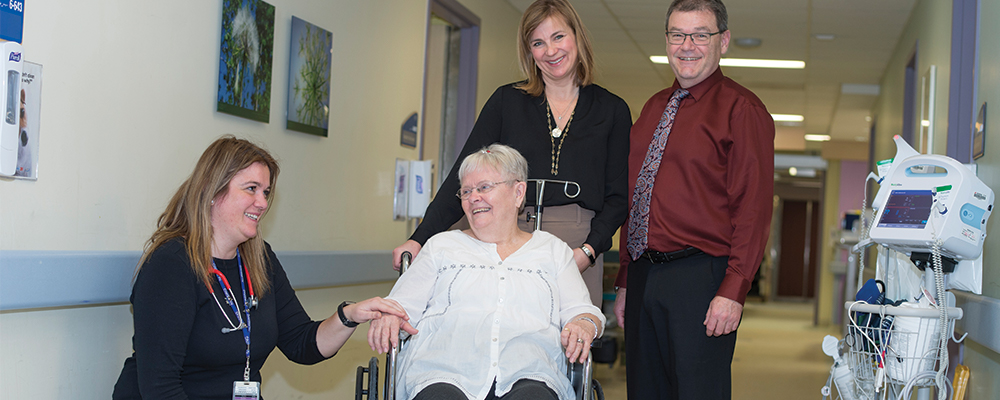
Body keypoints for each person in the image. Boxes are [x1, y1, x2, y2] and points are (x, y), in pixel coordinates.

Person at [112, 136, 415, 399]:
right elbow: (160, 387)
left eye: (266, 192)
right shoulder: (172, 264)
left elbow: (302, 343)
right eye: (251, 189)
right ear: (213, 192)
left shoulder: (259, 260)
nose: (262, 202)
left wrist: (350, 315)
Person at [393, 0, 630, 307]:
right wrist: (420, 237)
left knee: (569, 343)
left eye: (559, 37)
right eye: (538, 43)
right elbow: (461, 180)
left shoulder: (611, 110)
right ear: (529, 51)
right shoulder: (507, 102)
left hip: (577, 247)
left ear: (577, 37)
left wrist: (588, 251)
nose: (551, 50)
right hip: (507, 238)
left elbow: (618, 198)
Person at [612, 0, 775, 398]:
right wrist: (625, 279)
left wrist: (734, 290)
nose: (688, 45)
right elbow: (637, 198)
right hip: (644, 275)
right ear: (667, 40)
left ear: (723, 41)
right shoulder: (652, 109)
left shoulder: (743, 109)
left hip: (701, 279)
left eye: (701, 35)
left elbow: (752, 208)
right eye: (677, 35)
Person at [370, 144, 605, 400]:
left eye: (484, 187)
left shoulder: (553, 250)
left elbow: (582, 310)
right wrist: (389, 318)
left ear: (518, 192)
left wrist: (584, 323)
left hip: (531, 372)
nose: (473, 197)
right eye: (466, 191)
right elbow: (399, 307)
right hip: (442, 371)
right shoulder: (441, 246)